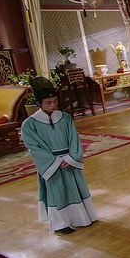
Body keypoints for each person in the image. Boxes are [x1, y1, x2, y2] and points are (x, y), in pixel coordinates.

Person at [21, 77, 97, 234]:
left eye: (55, 101)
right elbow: (34, 147)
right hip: (51, 164)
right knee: (56, 192)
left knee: (75, 189)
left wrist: (71, 158)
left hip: (68, 160)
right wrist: (55, 161)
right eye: (48, 102)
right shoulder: (29, 124)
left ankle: (82, 218)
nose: (53, 105)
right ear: (39, 103)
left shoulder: (65, 118)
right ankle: (60, 224)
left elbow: (74, 139)